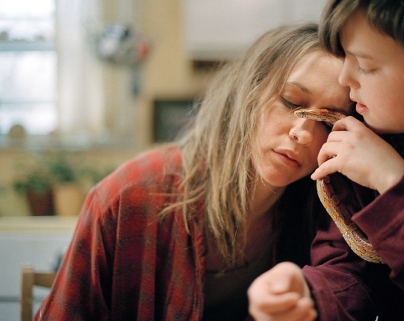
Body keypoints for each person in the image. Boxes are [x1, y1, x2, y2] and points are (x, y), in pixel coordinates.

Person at [34, 23, 354, 321]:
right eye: (290, 101)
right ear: (248, 94)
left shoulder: (324, 216)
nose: (305, 133)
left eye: (327, 122)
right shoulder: (128, 197)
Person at [248, 0, 404, 320]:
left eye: (365, 65)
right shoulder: (360, 143)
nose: (345, 79)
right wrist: (307, 296)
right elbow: (350, 272)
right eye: (345, 56)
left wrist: (392, 182)